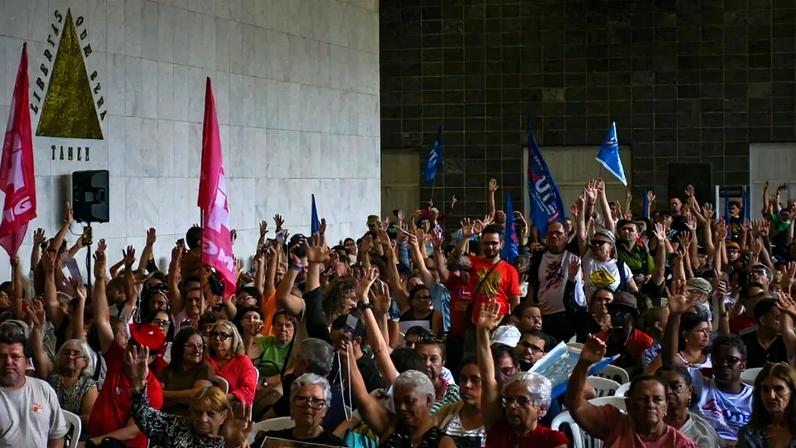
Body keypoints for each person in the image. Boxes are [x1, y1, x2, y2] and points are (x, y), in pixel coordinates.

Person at [566, 335, 697, 447]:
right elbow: (576, 405)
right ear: (628, 405)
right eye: (642, 399)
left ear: (666, 406)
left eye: (657, 399)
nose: (650, 404)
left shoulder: (681, 444)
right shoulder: (615, 424)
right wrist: (583, 364)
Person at [474, 300, 567, 447]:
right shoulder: (497, 427)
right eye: (509, 400)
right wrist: (482, 332)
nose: (512, 406)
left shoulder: (554, 441)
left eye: (522, 401)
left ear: (541, 408)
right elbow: (487, 376)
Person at [125, 345, 249, 448]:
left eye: (210, 414)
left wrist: (233, 443)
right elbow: (144, 417)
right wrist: (138, 385)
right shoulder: (177, 426)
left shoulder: (226, 442)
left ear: (224, 415)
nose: (203, 419)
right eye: (198, 412)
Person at [0, 321, 68, 448]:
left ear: (26, 362)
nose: (8, 362)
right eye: (2, 357)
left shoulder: (43, 389)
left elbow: (57, 435)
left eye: (15, 356)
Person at [526, 220, 585, 342]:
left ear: (566, 236)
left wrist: (583, 211)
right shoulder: (538, 257)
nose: (553, 236)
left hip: (570, 316)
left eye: (558, 233)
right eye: (550, 233)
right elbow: (532, 285)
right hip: (545, 317)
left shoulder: (574, 252)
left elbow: (582, 236)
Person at [258, 373, 345, 446]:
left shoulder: (335, 446)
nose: (308, 404)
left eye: (316, 401)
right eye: (302, 399)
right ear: (291, 406)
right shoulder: (272, 440)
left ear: (325, 410)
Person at [655, 366, 721, 448]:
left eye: (675, 387)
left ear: (690, 391)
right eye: (662, 387)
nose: (668, 392)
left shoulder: (703, 434)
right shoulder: (643, 424)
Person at [737, 363, 796, 448]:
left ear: (792, 392)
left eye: (779, 389)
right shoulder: (749, 433)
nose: (771, 396)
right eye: (765, 389)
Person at [159, 327, 215, 416]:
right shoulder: (167, 371)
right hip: (164, 417)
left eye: (200, 346)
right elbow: (156, 396)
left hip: (191, 419)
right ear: (179, 348)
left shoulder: (205, 369)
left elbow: (198, 395)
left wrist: (165, 395)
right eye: (190, 346)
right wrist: (184, 396)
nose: (197, 350)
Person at [594, 291, 654, 371]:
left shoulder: (644, 342)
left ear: (633, 317)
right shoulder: (598, 338)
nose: (616, 315)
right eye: (613, 310)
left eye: (623, 311)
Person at [434, 357, 486, 447]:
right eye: (463, 379)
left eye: (475, 380)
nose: (467, 385)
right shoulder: (447, 413)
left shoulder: (495, 419)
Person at [204, 320, 257, 405]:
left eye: (223, 335)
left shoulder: (242, 361)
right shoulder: (204, 359)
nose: (217, 338)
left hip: (230, 406)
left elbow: (248, 390)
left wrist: (221, 399)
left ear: (233, 339)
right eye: (215, 334)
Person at [740, 298, 795, 368]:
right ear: (763, 320)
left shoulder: (788, 342)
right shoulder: (742, 343)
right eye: (778, 318)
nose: (784, 322)